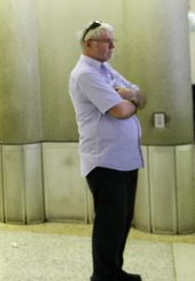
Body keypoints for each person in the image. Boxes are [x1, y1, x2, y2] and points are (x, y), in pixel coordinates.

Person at [69, 21, 145, 281]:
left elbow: (141, 95)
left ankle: (114, 271)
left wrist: (128, 95)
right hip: (105, 161)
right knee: (109, 224)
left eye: (113, 41)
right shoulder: (86, 74)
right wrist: (130, 100)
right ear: (88, 44)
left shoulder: (104, 69)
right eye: (106, 41)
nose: (112, 46)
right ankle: (103, 276)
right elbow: (121, 110)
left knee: (121, 222)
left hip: (125, 159)